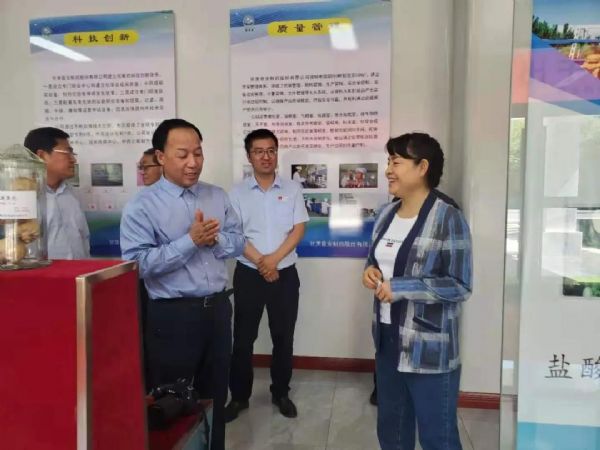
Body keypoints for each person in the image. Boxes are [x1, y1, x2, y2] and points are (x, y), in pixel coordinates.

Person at [120, 119, 244, 450]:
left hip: (218, 311)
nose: (193, 162)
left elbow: (238, 242)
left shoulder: (216, 196)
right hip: (173, 316)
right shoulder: (141, 206)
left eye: (198, 153)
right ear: (161, 157)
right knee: (173, 401)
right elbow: (138, 265)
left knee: (215, 393)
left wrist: (215, 240)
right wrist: (190, 241)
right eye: (183, 154)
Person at [362, 132, 472, 450]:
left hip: (429, 349)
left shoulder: (448, 217)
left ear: (422, 167)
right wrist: (370, 271)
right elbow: (377, 260)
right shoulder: (386, 213)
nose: (388, 170)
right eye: (388, 162)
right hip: (387, 340)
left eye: (396, 162)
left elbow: (460, 284)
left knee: (438, 437)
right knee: (392, 431)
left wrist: (402, 287)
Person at [225, 129, 308, 422]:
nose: (266, 156)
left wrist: (273, 261)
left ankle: (281, 393)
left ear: (277, 153)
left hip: (285, 274)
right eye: (259, 151)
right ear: (249, 156)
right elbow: (235, 234)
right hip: (249, 274)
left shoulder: (293, 189)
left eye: (271, 150)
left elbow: (298, 228)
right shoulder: (236, 193)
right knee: (243, 339)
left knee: (283, 337)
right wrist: (262, 263)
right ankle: (239, 397)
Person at [23, 127, 90, 259]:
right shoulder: (22, 197)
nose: (73, 160)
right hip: (41, 271)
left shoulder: (72, 193)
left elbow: (83, 239)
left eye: (72, 153)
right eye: (67, 152)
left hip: (79, 270)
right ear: (41, 156)